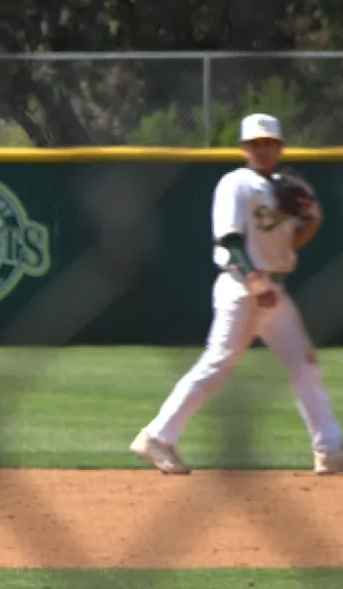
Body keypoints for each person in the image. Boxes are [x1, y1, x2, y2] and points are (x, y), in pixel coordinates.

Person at [130, 113, 343, 475]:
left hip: (273, 290)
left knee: (304, 366)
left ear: (279, 147)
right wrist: (254, 279)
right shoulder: (236, 183)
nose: (262, 149)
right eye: (255, 144)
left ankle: (330, 449)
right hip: (243, 287)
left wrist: (313, 222)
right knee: (217, 365)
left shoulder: (281, 187)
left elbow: (288, 243)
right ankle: (156, 437)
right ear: (244, 148)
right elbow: (228, 238)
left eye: (269, 143)